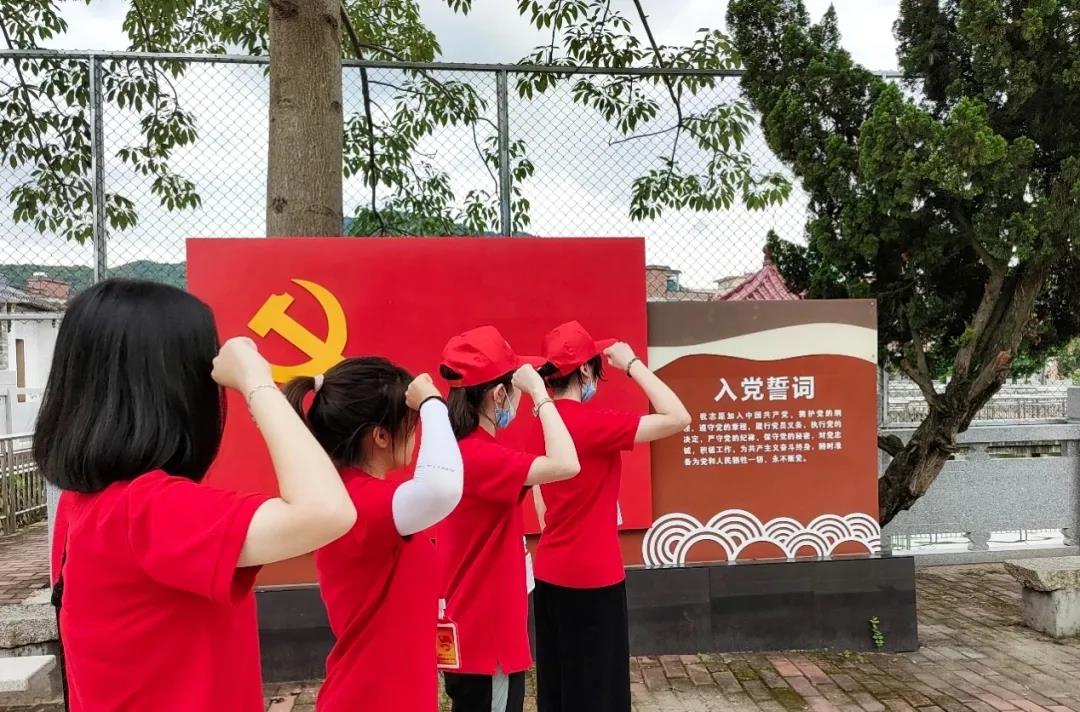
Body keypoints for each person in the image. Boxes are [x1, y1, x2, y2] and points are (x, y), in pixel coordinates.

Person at [37, 279, 356, 712]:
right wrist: (257, 383)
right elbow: (327, 510)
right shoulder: (148, 509)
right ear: (179, 388)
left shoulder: (84, 504)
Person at [282, 357, 464, 712]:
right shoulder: (362, 502)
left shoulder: (356, 495)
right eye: (411, 424)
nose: (416, 434)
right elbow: (441, 488)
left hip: (386, 692)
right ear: (380, 436)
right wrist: (432, 405)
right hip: (373, 697)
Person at [529, 321, 691, 712]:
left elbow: (541, 507)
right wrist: (632, 364)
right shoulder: (593, 424)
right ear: (585, 371)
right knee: (598, 690)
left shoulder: (543, 422)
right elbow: (678, 416)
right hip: (594, 578)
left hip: (549, 572)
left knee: (558, 686)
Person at [436, 325, 580, 712]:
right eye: (515, 388)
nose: (519, 397)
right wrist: (542, 398)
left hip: (474, 625)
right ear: (498, 394)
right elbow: (567, 463)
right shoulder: (481, 456)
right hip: (487, 637)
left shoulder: (462, 450)